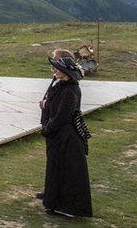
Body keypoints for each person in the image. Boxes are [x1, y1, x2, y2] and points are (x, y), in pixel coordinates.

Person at [40, 55, 92, 218]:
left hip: (67, 137)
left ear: (65, 72)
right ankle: (54, 202)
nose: (54, 70)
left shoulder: (70, 90)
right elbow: (53, 104)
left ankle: (69, 206)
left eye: (57, 68)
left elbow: (63, 116)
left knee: (68, 172)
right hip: (58, 136)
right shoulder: (61, 86)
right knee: (56, 169)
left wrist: (48, 129)